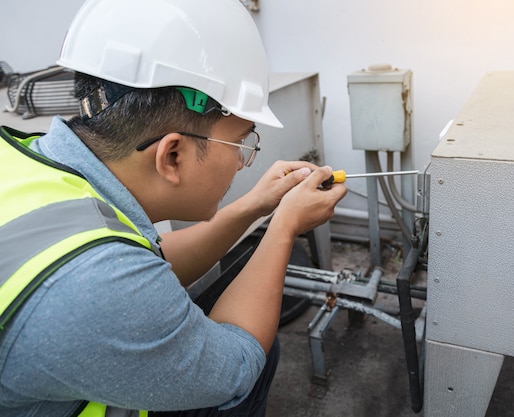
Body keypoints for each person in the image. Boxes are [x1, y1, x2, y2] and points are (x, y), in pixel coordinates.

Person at [0, 0, 347, 416]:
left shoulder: (33, 167)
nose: (243, 160)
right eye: (241, 143)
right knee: (256, 355)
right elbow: (235, 369)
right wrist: (285, 226)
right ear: (172, 156)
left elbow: (145, 260)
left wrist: (256, 207)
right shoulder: (97, 287)